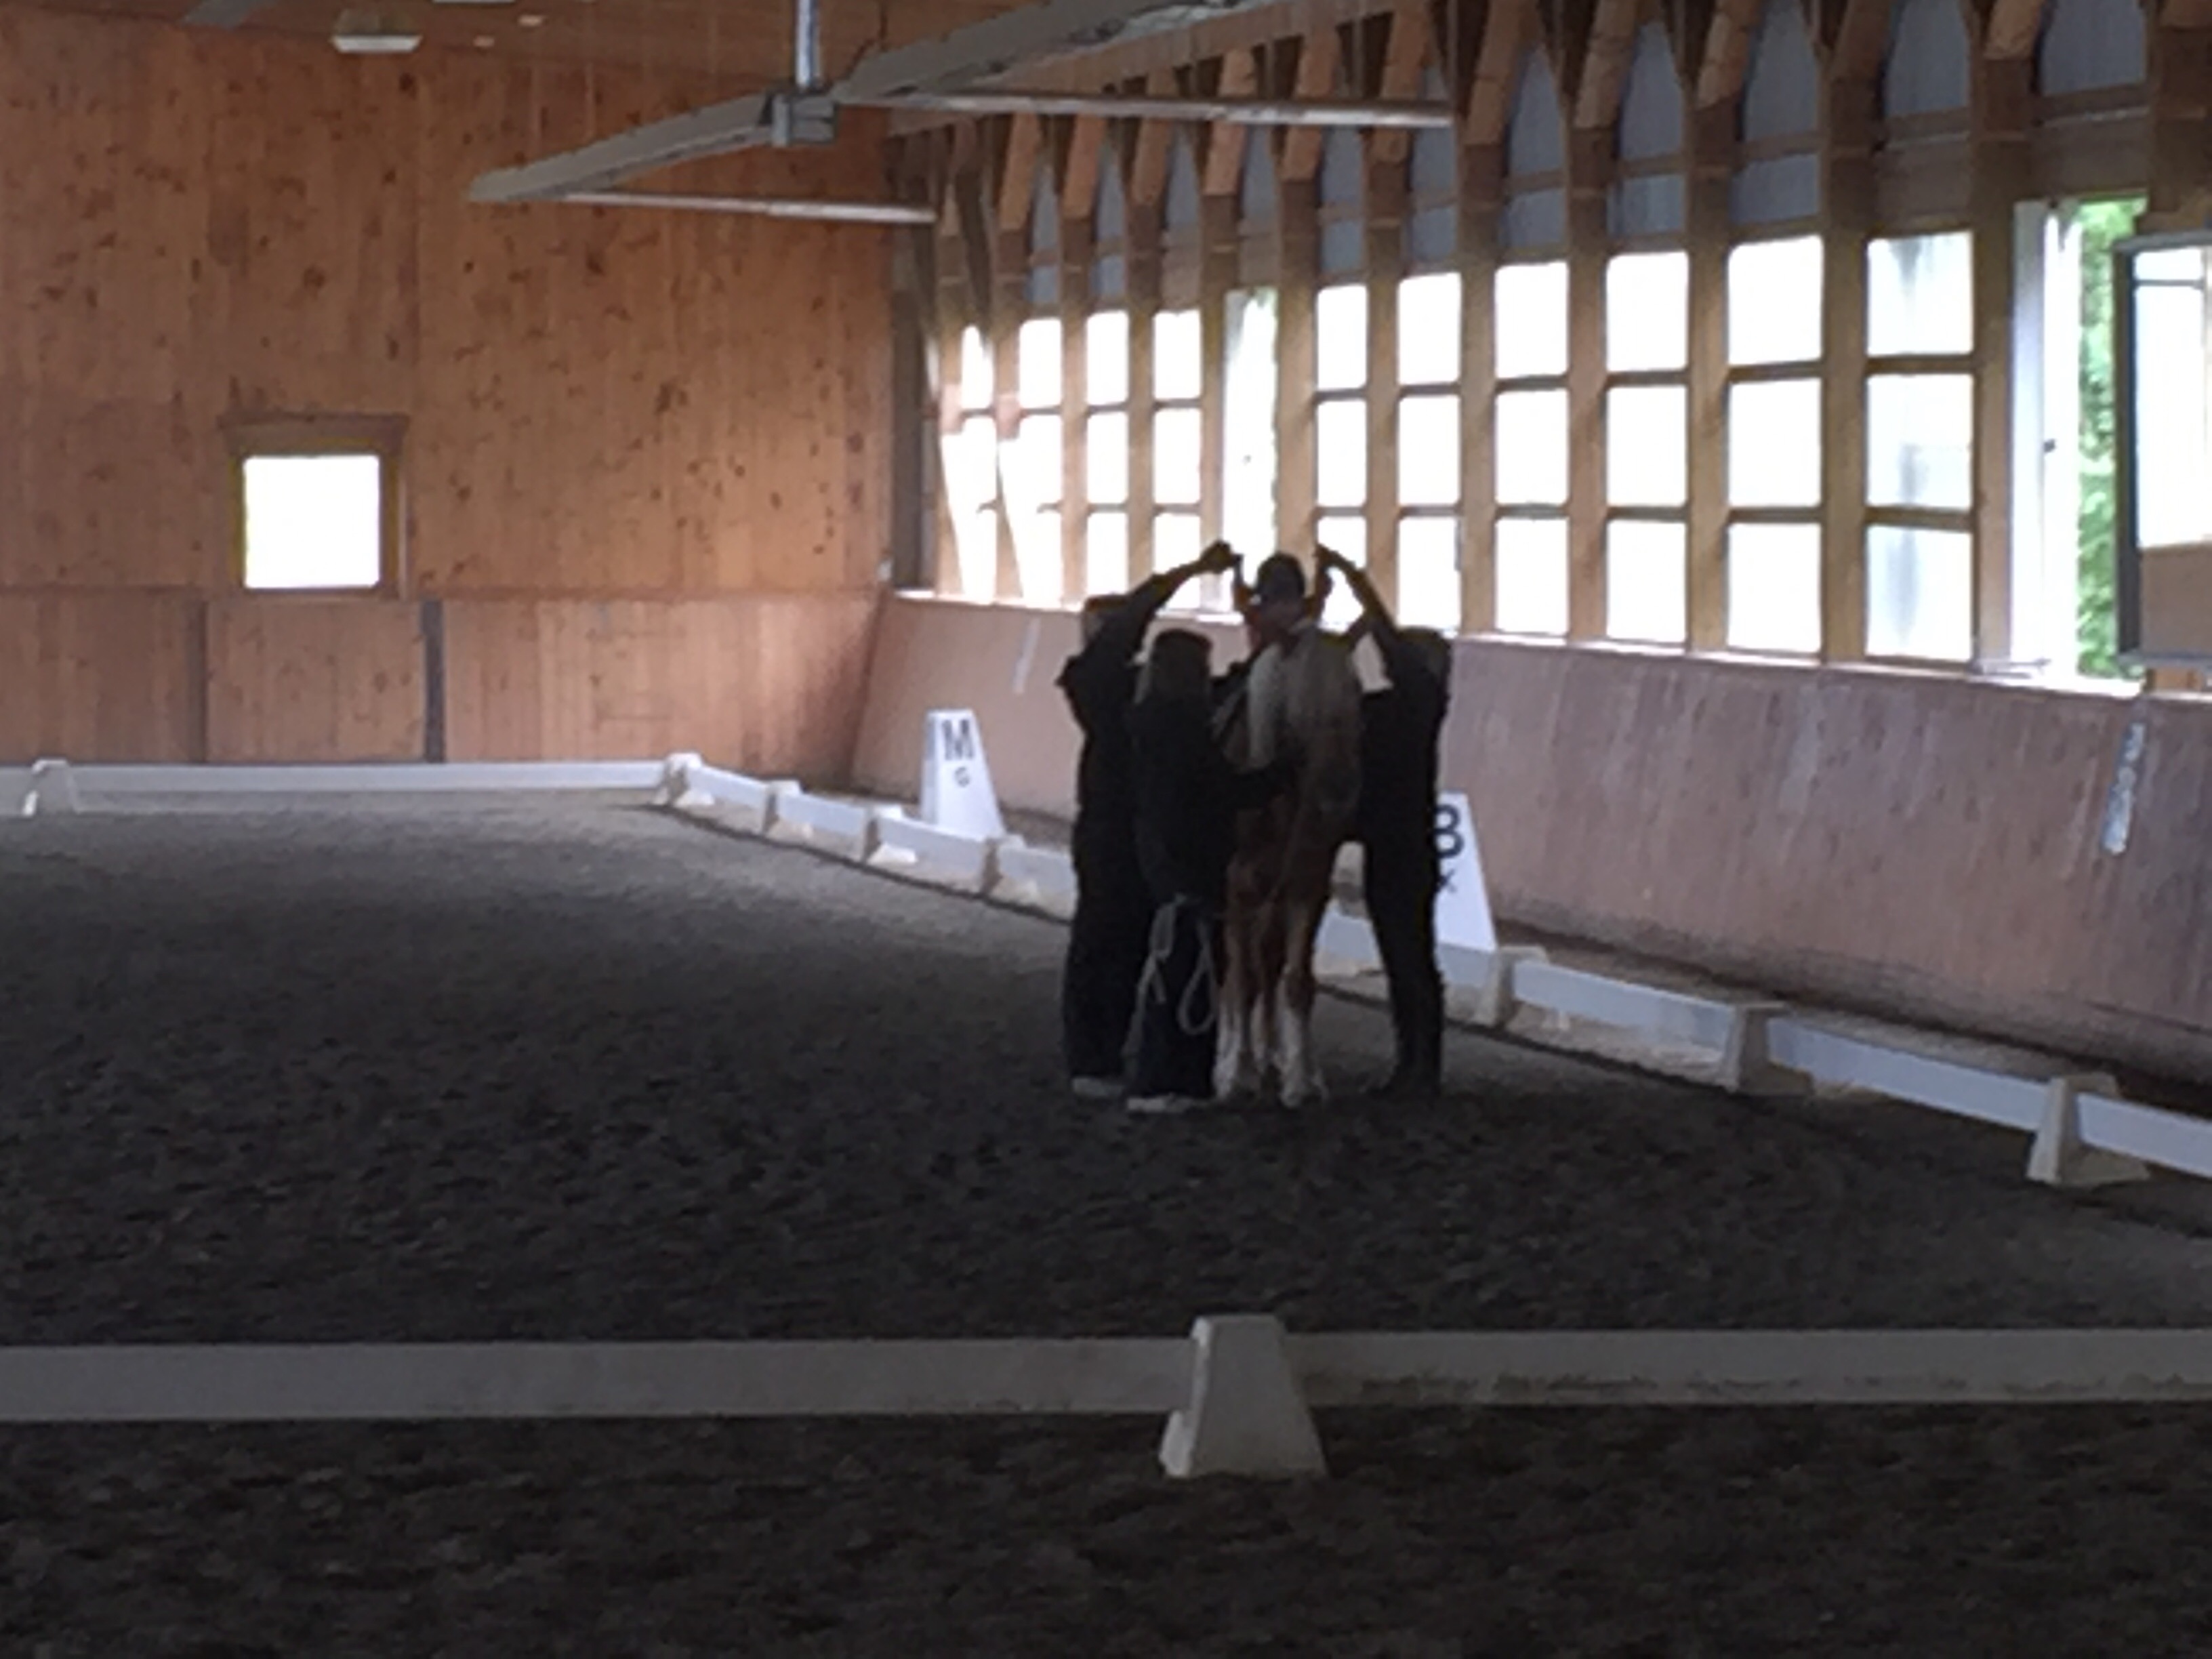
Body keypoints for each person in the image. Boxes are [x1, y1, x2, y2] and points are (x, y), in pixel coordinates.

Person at [1056, 539, 1240, 1099]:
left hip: (1143, 837)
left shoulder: (1145, 692)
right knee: (1104, 942)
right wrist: (1188, 572)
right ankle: (1093, 1056)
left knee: (1137, 947)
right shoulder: (1103, 688)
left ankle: (1113, 1053)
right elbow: (1129, 628)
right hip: (1112, 833)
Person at [1124, 629, 1294, 1113]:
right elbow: (1223, 790)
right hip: (1188, 864)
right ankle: (1165, 1081)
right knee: (1185, 974)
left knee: (1182, 971)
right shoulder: (1183, 732)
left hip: (1166, 859)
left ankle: (1178, 1081)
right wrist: (1282, 773)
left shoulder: (1153, 721)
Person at [1319, 545, 1453, 1100]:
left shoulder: (1419, 702)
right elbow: (1341, 677)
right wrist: (1350, 635)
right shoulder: (1393, 707)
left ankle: (1422, 1065)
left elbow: (1387, 648)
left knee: (1411, 958)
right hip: (1388, 843)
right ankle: (1414, 1063)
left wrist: (1359, 587)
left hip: (1402, 846)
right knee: (1403, 958)